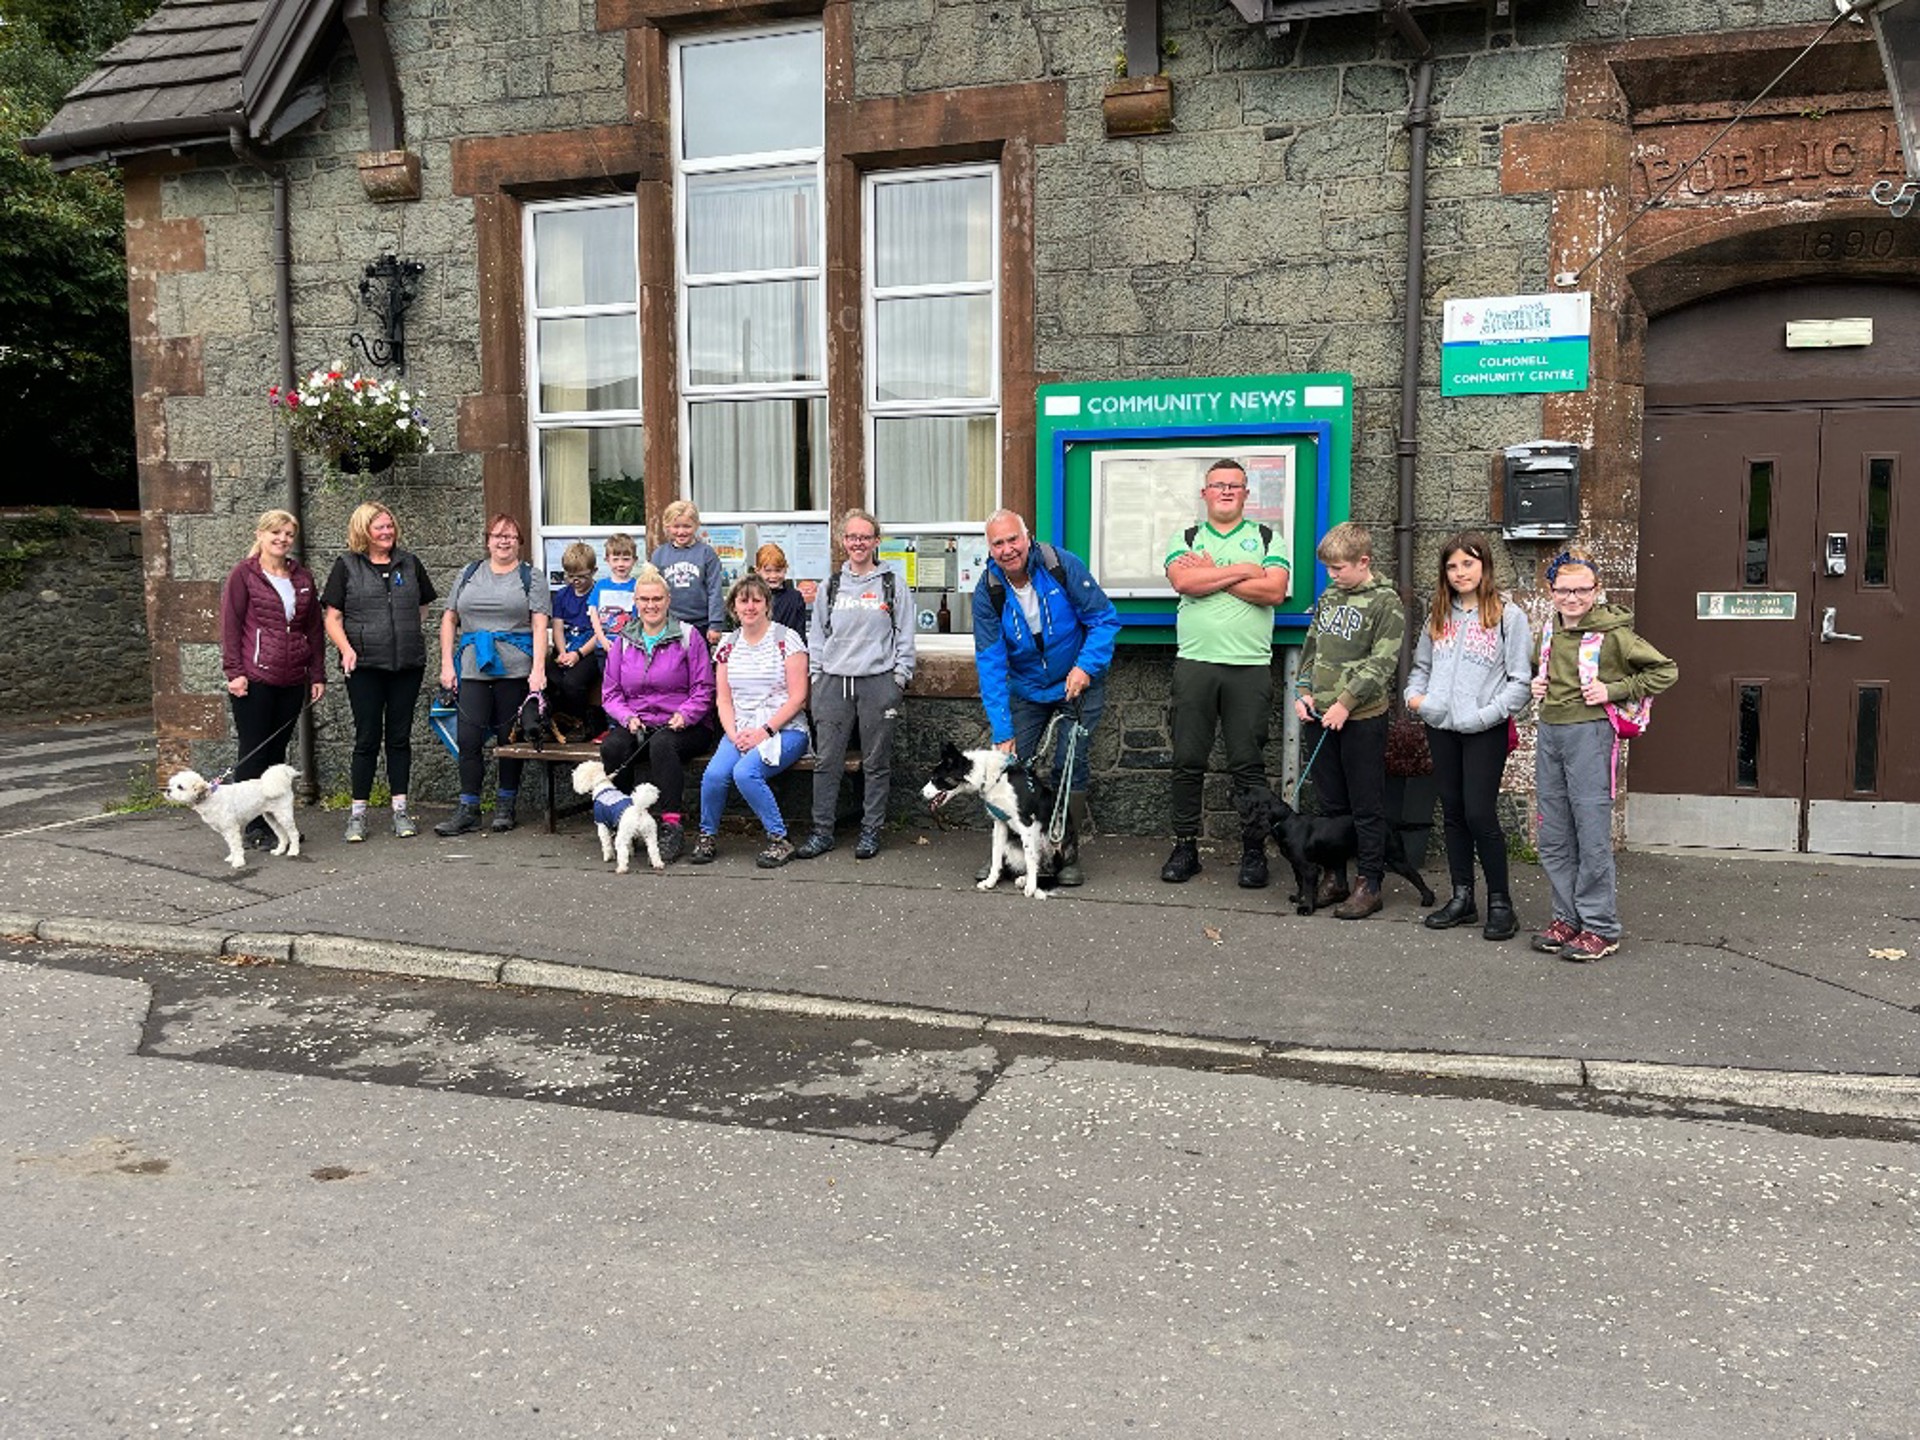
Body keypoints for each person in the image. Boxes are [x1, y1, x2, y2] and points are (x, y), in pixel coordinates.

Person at [1529, 545, 1678, 962]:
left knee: (1591, 833)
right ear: (1551, 591)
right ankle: (1566, 918)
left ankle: (1600, 926)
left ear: (1597, 589)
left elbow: (1665, 670)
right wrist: (1536, 684)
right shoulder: (1549, 630)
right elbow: (1540, 672)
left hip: (1591, 737)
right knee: (1555, 833)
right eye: (1563, 590)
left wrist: (1613, 691)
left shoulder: (1614, 635)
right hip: (1551, 733)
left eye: (1581, 590)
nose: (1572, 598)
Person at [1160, 459, 1292, 886]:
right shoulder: (1185, 537)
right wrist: (1243, 571)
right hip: (1196, 663)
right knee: (1187, 760)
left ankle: (1253, 853)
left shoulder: (1268, 536)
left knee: (1248, 765)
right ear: (1205, 493)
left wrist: (1210, 572)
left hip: (1249, 667)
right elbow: (1183, 583)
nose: (1226, 491)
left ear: (1246, 494)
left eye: (1235, 485)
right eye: (1218, 485)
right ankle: (1185, 847)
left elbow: (1273, 590)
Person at [972, 508, 1119, 886]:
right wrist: (1003, 728)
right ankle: (1009, 857)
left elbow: (1104, 620)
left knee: (1068, 765)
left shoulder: (1061, 565)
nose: (1007, 549)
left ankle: (1064, 852)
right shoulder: (988, 590)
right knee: (1008, 767)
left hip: (1077, 683)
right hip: (1027, 690)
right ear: (989, 548)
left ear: (1028, 537)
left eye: (1013, 539)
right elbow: (989, 661)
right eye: (998, 543)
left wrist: (1086, 666)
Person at [1404, 530, 1533, 940]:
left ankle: (1501, 903)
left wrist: (1486, 715)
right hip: (1440, 726)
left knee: (1480, 813)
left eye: (1468, 563)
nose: (1460, 572)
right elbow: (1420, 667)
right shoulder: (1437, 615)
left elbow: (1520, 680)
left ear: (1484, 566)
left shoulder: (1507, 616)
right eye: (1453, 565)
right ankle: (1462, 897)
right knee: (1454, 812)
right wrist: (1416, 699)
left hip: (1483, 730)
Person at [1292, 521, 1405, 920]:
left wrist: (1345, 702)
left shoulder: (1385, 603)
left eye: (1339, 568)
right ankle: (1334, 877)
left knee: (1365, 804)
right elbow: (1311, 648)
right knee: (1330, 803)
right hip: (1319, 715)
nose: (1333, 575)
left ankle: (1369, 882)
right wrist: (1302, 692)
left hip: (1361, 718)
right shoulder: (1329, 598)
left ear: (1363, 562)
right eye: (1328, 569)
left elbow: (1382, 662)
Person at [793, 508, 916, 861]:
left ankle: (870, 831)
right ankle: (822, 833)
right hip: (833, 682)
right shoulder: (831, 586)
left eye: (865, 537)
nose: (858, 543)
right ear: (843, 541)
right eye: (851, 537)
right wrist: (817, 675)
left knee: (876, 763)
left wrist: (899, 677)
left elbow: (905, 633)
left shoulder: (892, 584)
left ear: (876, 541)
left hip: (878, 682)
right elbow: (816, 635)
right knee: (826, 761)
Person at [320, 501, 435, 842]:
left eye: (390, 526)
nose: (387, 532)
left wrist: (404, 635)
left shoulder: (410, 563)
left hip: (407, 666)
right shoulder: (346, 566)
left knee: (399, 738)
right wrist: (348, 649)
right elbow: (332, 618)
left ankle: (400, 809)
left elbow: (423, 609)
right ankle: (358, 814)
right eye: (379, 527)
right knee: (367, 739)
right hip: (365, 667)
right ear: (363, 531)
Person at [434, 513, 550, 837]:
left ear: (519, 542)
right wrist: (446, 664)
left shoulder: (531, 577)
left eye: (510, 536)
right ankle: (468, 807)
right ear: (487, 540)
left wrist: (538, 670)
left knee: (507, 740)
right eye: (498, 535)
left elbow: (540, 624)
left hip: (516, 669)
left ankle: (505, 805)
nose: (503, 540)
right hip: (473, 668)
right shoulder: (469, 573)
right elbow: (449, 619)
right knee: (469, 738)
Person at [220, 508, 325, 847]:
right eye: (275, 533)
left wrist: (317, 673)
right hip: (254, 678)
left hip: (292, 678)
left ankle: (276, 824)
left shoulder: (302, 578)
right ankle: (251, 827)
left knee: (277, 755)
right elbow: (231, 627)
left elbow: (314, 629)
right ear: (260, 535)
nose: (282, 539)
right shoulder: (244, 575)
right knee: (254, 751)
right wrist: (234, 672)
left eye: (287, 534)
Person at [599, 565, 717, 861]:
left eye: (657, 599)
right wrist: (626, 716)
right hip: (639, 722)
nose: (651, 605)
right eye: (644, 600)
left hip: (686, 726)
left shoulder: (689, 637)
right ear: (635, 603)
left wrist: (686, 714)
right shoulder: (623, 641)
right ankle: (624, 817)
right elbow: (611, 693)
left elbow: (704, 688)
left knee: (662, 744)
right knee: (613, 746)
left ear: (668, 600)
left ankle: (671, 825)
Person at [693, 574, 811, 868]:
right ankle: (707, 836)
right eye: (743, 600)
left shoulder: (786, 639)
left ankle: (779, 839)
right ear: (733, 606)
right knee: (714, 775)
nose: (750, 606)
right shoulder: (728, 645)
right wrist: (733, 735)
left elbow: (798, 698)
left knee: (746, 772)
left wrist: (764, 731)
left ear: (767, 604)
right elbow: (723, 700)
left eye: (756, 600)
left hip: (786, 730)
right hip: (741, 728)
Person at [547, 540, 605, 738]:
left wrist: (578, 654)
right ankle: (558, 720)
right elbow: (557, 627)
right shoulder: (562, 595)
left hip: (588, 648)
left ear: (594, 571)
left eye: (581, 576)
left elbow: (600, 631)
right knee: (553, 677)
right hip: (566, 645)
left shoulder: (598, 594)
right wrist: (562, 652)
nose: (575, 581)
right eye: (570, 576)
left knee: (573, 682)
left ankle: (581, 721)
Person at [650, 500, 726, 645]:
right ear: (667, 526)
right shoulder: (659, 555)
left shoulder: (706, 554)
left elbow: (715, 590)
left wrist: (715, 624)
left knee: (699, 665)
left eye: (687, 526)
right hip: (669, 624)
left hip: (701, 624)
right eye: (676, 526)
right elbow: (654, 592)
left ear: (696, 526)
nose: (681, 531)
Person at [587, 532, 639, 653]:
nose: (620, 564)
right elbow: (593, 614)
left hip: (629, 647)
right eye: (615, 560)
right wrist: (601, 639)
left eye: (626, 559)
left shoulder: (638, 586)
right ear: (607, 560)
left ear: (634, 560)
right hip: (603, 646)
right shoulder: (600, 585)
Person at [757, 542, 810, 634]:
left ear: (785, 569)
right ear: (758, 571)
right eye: (768, 571)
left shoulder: (795, 597)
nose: (773, 576)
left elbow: (800, 632)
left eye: (778, 570)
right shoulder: (752, 598)